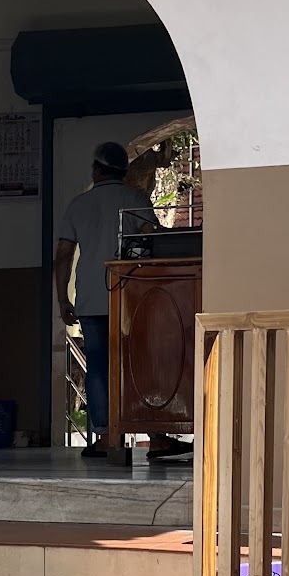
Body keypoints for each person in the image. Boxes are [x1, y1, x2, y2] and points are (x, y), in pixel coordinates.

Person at [54, 141, 189, 461]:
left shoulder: (78, 205)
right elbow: (151, 240)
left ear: (96, 170)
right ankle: (156, 437)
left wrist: (62, 299)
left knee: (99, 368)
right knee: (140, 366)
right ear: (124, 171)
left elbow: (63, 255)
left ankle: (106, 438)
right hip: (133, 299)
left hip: (91, 298)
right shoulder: (135, 199)